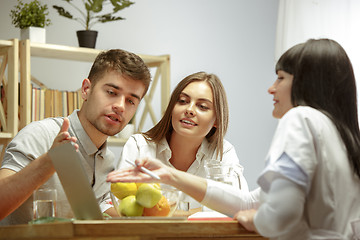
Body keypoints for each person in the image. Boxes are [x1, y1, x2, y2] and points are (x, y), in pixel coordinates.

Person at [107, 39, 360, 239]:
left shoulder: (300, 119)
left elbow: (280, 215)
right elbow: (250, 201)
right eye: (183, 101)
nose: (271, 88)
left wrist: (256, 220)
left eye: (281, 78)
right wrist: (170, 175)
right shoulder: (340, 135)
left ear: (307, 84)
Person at [0, 49, 151, 224]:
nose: (120, 106)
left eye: (131, 101)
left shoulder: (106, 159)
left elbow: (92, 217)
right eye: (111, 92)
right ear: (86, 89)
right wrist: (49, 161)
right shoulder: (39, 134)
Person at [116, 71, 258, 211]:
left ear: (217, 120)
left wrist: (167, 213)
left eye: (202, 106)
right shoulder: (139, 146)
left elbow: (238, 207)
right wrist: (196, 212)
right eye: (183, 101)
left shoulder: (223, 152)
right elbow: (121, 207)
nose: (190, 110)